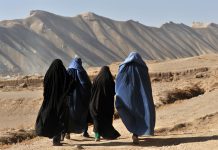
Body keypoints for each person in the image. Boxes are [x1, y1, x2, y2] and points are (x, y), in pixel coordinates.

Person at [115, 52, 156, 144]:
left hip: (127, 95)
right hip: (141, 95)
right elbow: (147, 84)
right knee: (141, 112)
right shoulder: (143, 67)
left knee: (131, 113)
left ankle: (135, 133)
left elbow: (118, 81)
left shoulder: (123, 67)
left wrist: (119, 93)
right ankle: (137, 133)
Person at [35, 59, 75, 146]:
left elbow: (45, 87)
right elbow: (71, 84)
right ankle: (56, 140)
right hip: (61, 102)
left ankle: (55, 138)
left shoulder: (48, 74)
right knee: (59, 118)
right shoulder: (63, 75)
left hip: (50, 101)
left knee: (52, 117)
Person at [90, 66, 120, 141]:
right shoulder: (109, 80)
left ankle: (97, 136)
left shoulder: (96, 79)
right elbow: (114, 91)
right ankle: (107, 134)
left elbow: (92, 91)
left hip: (95, 103)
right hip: (107, 105)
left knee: (97, 119)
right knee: (106, 120)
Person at [64, 57, 92, 139]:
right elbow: (86, 84)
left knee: (68, 115)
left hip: (69, 98)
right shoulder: (81, 71)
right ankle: (85, 132)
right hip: (81, 98)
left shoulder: (68, 71)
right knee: (83, 113)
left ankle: (67, 133)